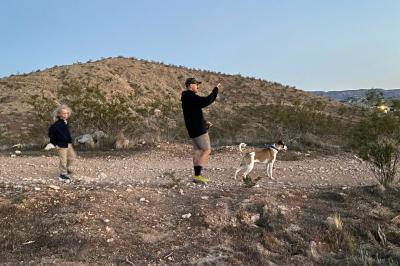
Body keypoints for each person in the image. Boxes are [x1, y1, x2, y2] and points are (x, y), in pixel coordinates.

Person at [181, 77, 221, 184]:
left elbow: (193, 115)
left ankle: (196, 176)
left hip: (192, 130)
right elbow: (207, 100)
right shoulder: (191, 96)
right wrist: (215, 90)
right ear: (191, 86)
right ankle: (198, 175)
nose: (198, 86)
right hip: (199, 130)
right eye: (196, 84)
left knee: (197, 151)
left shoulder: (186, 98)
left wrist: (205, 123)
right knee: (207, 150)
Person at [48, 104, 76, 182]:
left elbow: (66, 133)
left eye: (67, 113)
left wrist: (70, 141)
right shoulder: (56, 125)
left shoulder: (66, 122)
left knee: (72, 157)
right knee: (63, 160)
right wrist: (54, 144)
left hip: (68, 143)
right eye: (64, 113)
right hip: (60, 145)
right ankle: (62, 175)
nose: (66, 115)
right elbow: (51, 134)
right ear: (59, 114)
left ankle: (66, 169)